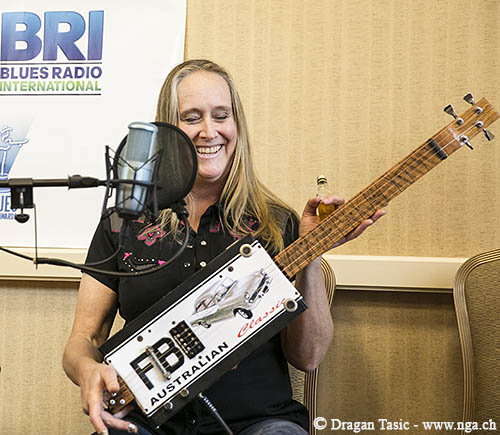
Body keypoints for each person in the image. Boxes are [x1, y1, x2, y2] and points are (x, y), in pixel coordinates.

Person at [62, 59, 385, 435]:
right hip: (146, 423)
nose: (209, 131)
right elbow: (84, 338)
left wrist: (311, 251)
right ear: (167, 130)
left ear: (237, 126)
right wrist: (87, 369)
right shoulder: (123, 222)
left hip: (259, 423)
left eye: (221, 116)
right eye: (191, 117)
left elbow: (308, 357)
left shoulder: (276, 222)